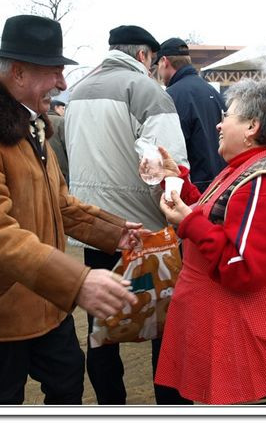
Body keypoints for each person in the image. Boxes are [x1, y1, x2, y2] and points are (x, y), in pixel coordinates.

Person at [0, 14, 141, 405]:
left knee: (67, 385)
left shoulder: (31, 127)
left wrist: (115, 231)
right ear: (18, 74)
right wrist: (77, 281)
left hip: (45, 298)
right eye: (55, 73)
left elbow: (59, 204)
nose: (63, 84)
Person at [154, 79, 266, 404]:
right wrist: (180, 182)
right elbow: (221, 214)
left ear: (252, 126)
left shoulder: (263, 183)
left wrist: (188, 223)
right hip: (235, 327)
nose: (219, 123)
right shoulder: (253, 166)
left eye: (228, 116)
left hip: (243, 333)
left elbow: (244, 270)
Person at [65, 24, 190, 405]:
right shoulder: (147, 90)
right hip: (147, 231)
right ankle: (170, 405)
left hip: (95, 229)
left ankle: (110, 406)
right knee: (165, 325)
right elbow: (171, 166)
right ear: (144, 56)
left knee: (101, 326)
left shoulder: (77, 92)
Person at [154, 37, 226, 192]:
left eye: (158, 65)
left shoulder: (171, 96)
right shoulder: (213, 92)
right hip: (221, 184)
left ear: (164, 61)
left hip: (192, 189)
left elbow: (170, 150)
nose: (158, 72)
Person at [47, 99, 69, 184]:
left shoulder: (41, 119)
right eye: (62, 108)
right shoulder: (60, 121)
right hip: (60, 164)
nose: (64, 111)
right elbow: (66, 143)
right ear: (56, 108)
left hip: (46, 164)